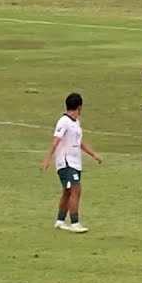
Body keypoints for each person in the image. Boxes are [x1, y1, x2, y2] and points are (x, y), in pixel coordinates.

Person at [40, 93, 102, 233]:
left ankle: (60, 221)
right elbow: (56, 140)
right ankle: (75, 223)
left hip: (75, 162)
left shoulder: (76, 123)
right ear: (79, 108)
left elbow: (80, 142)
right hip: (66, 162)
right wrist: (48, 158)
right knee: (76, 190)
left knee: (67, 192)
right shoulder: (64, 121)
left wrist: (93, 154)